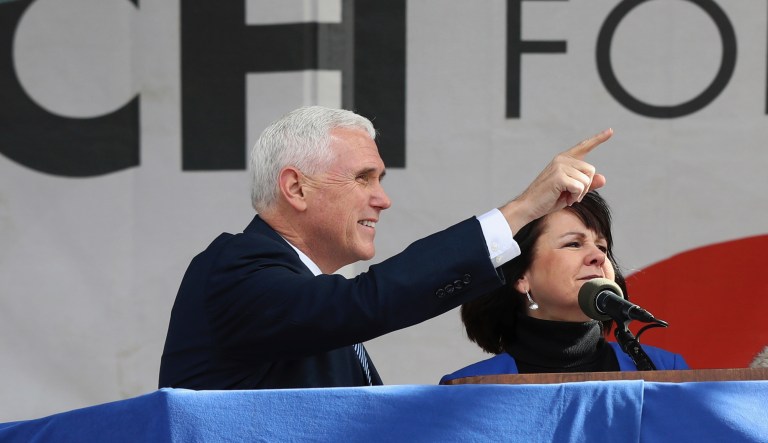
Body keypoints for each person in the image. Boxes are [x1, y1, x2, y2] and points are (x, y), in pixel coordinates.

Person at [159, 105, 613, 390]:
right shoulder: (233, 270)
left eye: (381, 180)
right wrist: (522, 211)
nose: (383, 199)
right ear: (296, 188)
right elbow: (368, 302)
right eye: (363, 178)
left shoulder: (310, 296)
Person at [440, 191, 688, 384]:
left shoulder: (664, 369)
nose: (598, 257)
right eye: (573, 244)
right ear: (521, 277)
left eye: (602, 247)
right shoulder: (469, 388)